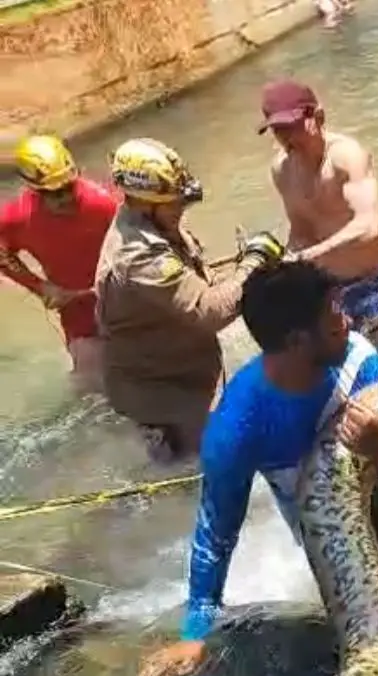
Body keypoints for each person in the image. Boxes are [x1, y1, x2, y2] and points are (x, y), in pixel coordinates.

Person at [136, 261, 378, 676]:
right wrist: (194, 636)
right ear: (297, 340)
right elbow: (215, 536)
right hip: (332, 541)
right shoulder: (236, 428)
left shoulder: (361, 360)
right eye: (334, 318)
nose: (348, 322)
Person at [95, 137, 285, 463]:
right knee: (214, 466)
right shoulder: (137, 254)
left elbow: (200, 283)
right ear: (144, 203)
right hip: (163, 392)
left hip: (189, 371)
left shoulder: (157, 225)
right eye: (173, 203)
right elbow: (208, 312)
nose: (181, 209)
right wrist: (252, 264)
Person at [260, 79, 378, 331]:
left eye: (292, 127)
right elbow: (301, 233)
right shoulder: (282, 170)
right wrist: (284, 263)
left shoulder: (346, 156)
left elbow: (371, 230)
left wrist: (313, 254)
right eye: (278, 130)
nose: (287, 138)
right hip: (330, 292)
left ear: (318, 117)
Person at [0, 135, 119, 394]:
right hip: (78, 313)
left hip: (123, 300)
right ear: (32, 189)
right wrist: (41, 287)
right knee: (92, 389)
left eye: (69, 187)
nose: (66, 198)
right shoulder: (18, 218)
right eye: (54, 193)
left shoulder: (104, 203)